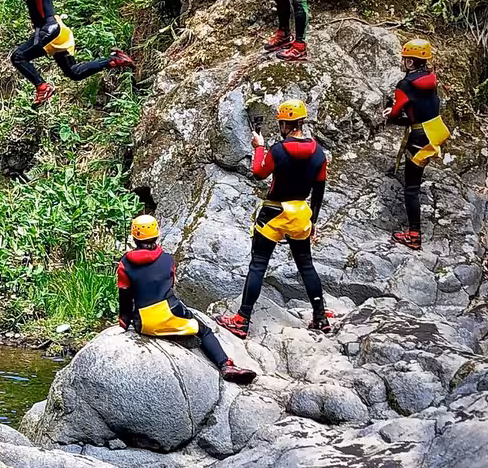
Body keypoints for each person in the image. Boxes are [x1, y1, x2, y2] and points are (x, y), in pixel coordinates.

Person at [218, 99, 332, 337]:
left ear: (285, 124)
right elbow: (319, 190)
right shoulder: (319, 153)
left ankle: (242, 319)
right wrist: (314, 223)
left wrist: (259, 147)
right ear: (301, 122)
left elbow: (259, 173)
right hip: (301, 213)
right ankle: (320, 317)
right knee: (306, 264)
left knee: (258, 264)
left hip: (274, 211)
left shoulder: (279, 150)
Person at [118, 215, 256, 383]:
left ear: (134, 237)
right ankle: (226, 365)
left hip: (143, 324)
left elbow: (125, 296)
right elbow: (170, 285)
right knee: (204, 330)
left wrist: (124, 322)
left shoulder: (125, 263)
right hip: (170, 314)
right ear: (157, 234)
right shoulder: (168, 260)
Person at [0, 0, 135, 108]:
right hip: (56, 32)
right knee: (74, 72)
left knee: (18, 57)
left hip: (49, 30)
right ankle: (115, 60)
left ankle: (43, 87)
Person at [379, 36, 450, 249]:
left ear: (410, 62)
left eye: (404, 59)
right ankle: (414, 232)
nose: (402, 62)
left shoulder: (406, 84)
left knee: (411, 188)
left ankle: (414, 235)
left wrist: (389, 114)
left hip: (420, 137)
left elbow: (396, 112)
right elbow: (419, 109)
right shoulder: (431, 77)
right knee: (413, 179)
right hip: (434, 129)